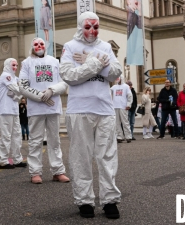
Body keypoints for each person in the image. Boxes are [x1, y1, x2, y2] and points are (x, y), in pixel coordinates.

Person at [59, 11, 122, 219]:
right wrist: (96, 63)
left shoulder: (105, 47)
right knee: (81, 158)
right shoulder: (70, 47)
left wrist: (89, 61)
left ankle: (109, 200)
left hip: (104, 109)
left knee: (107, 157)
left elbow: (115, 73)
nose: (92, 31)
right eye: (88, 27)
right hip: (79, 110)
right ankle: (84, 200)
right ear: (80, 27)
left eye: (95, 27)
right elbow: (69, 76)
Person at [18, 37, 70, 184]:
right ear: (32, 47)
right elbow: (22, 85)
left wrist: (51, 91)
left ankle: (58, 171)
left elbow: (63, 82)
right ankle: (35, 172)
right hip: (36, 108)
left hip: (53, 106)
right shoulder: (26, 63)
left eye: (41, 44)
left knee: (55, 141)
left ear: (45, 46)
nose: (39, 46)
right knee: (35, 141)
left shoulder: (55, 61)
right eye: (36, 44)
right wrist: (40, 96)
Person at [0, 58, 26, 169]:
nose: (15, 67)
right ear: (8, 65)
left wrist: (17, 93)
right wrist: (19, 92)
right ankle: (3, 160)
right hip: (5, 110)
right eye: (13, 65)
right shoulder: (5, 76)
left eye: (16, 65)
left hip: (14, 110)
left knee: (17, 135)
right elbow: (17, 89)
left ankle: (17, 159)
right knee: (6, 136)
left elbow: (18, 94)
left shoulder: (14, 78)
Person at [111, 77, 133, 143]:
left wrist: (129, 104)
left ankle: (128, 136)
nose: (117, 79)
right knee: (117, 123)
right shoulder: (114, 87)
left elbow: (130, 96)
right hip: (115, 106)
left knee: (125, 122)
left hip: (123, 107)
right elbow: (108, 92)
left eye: (118, 78)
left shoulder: (126, 86)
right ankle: (119, 137)